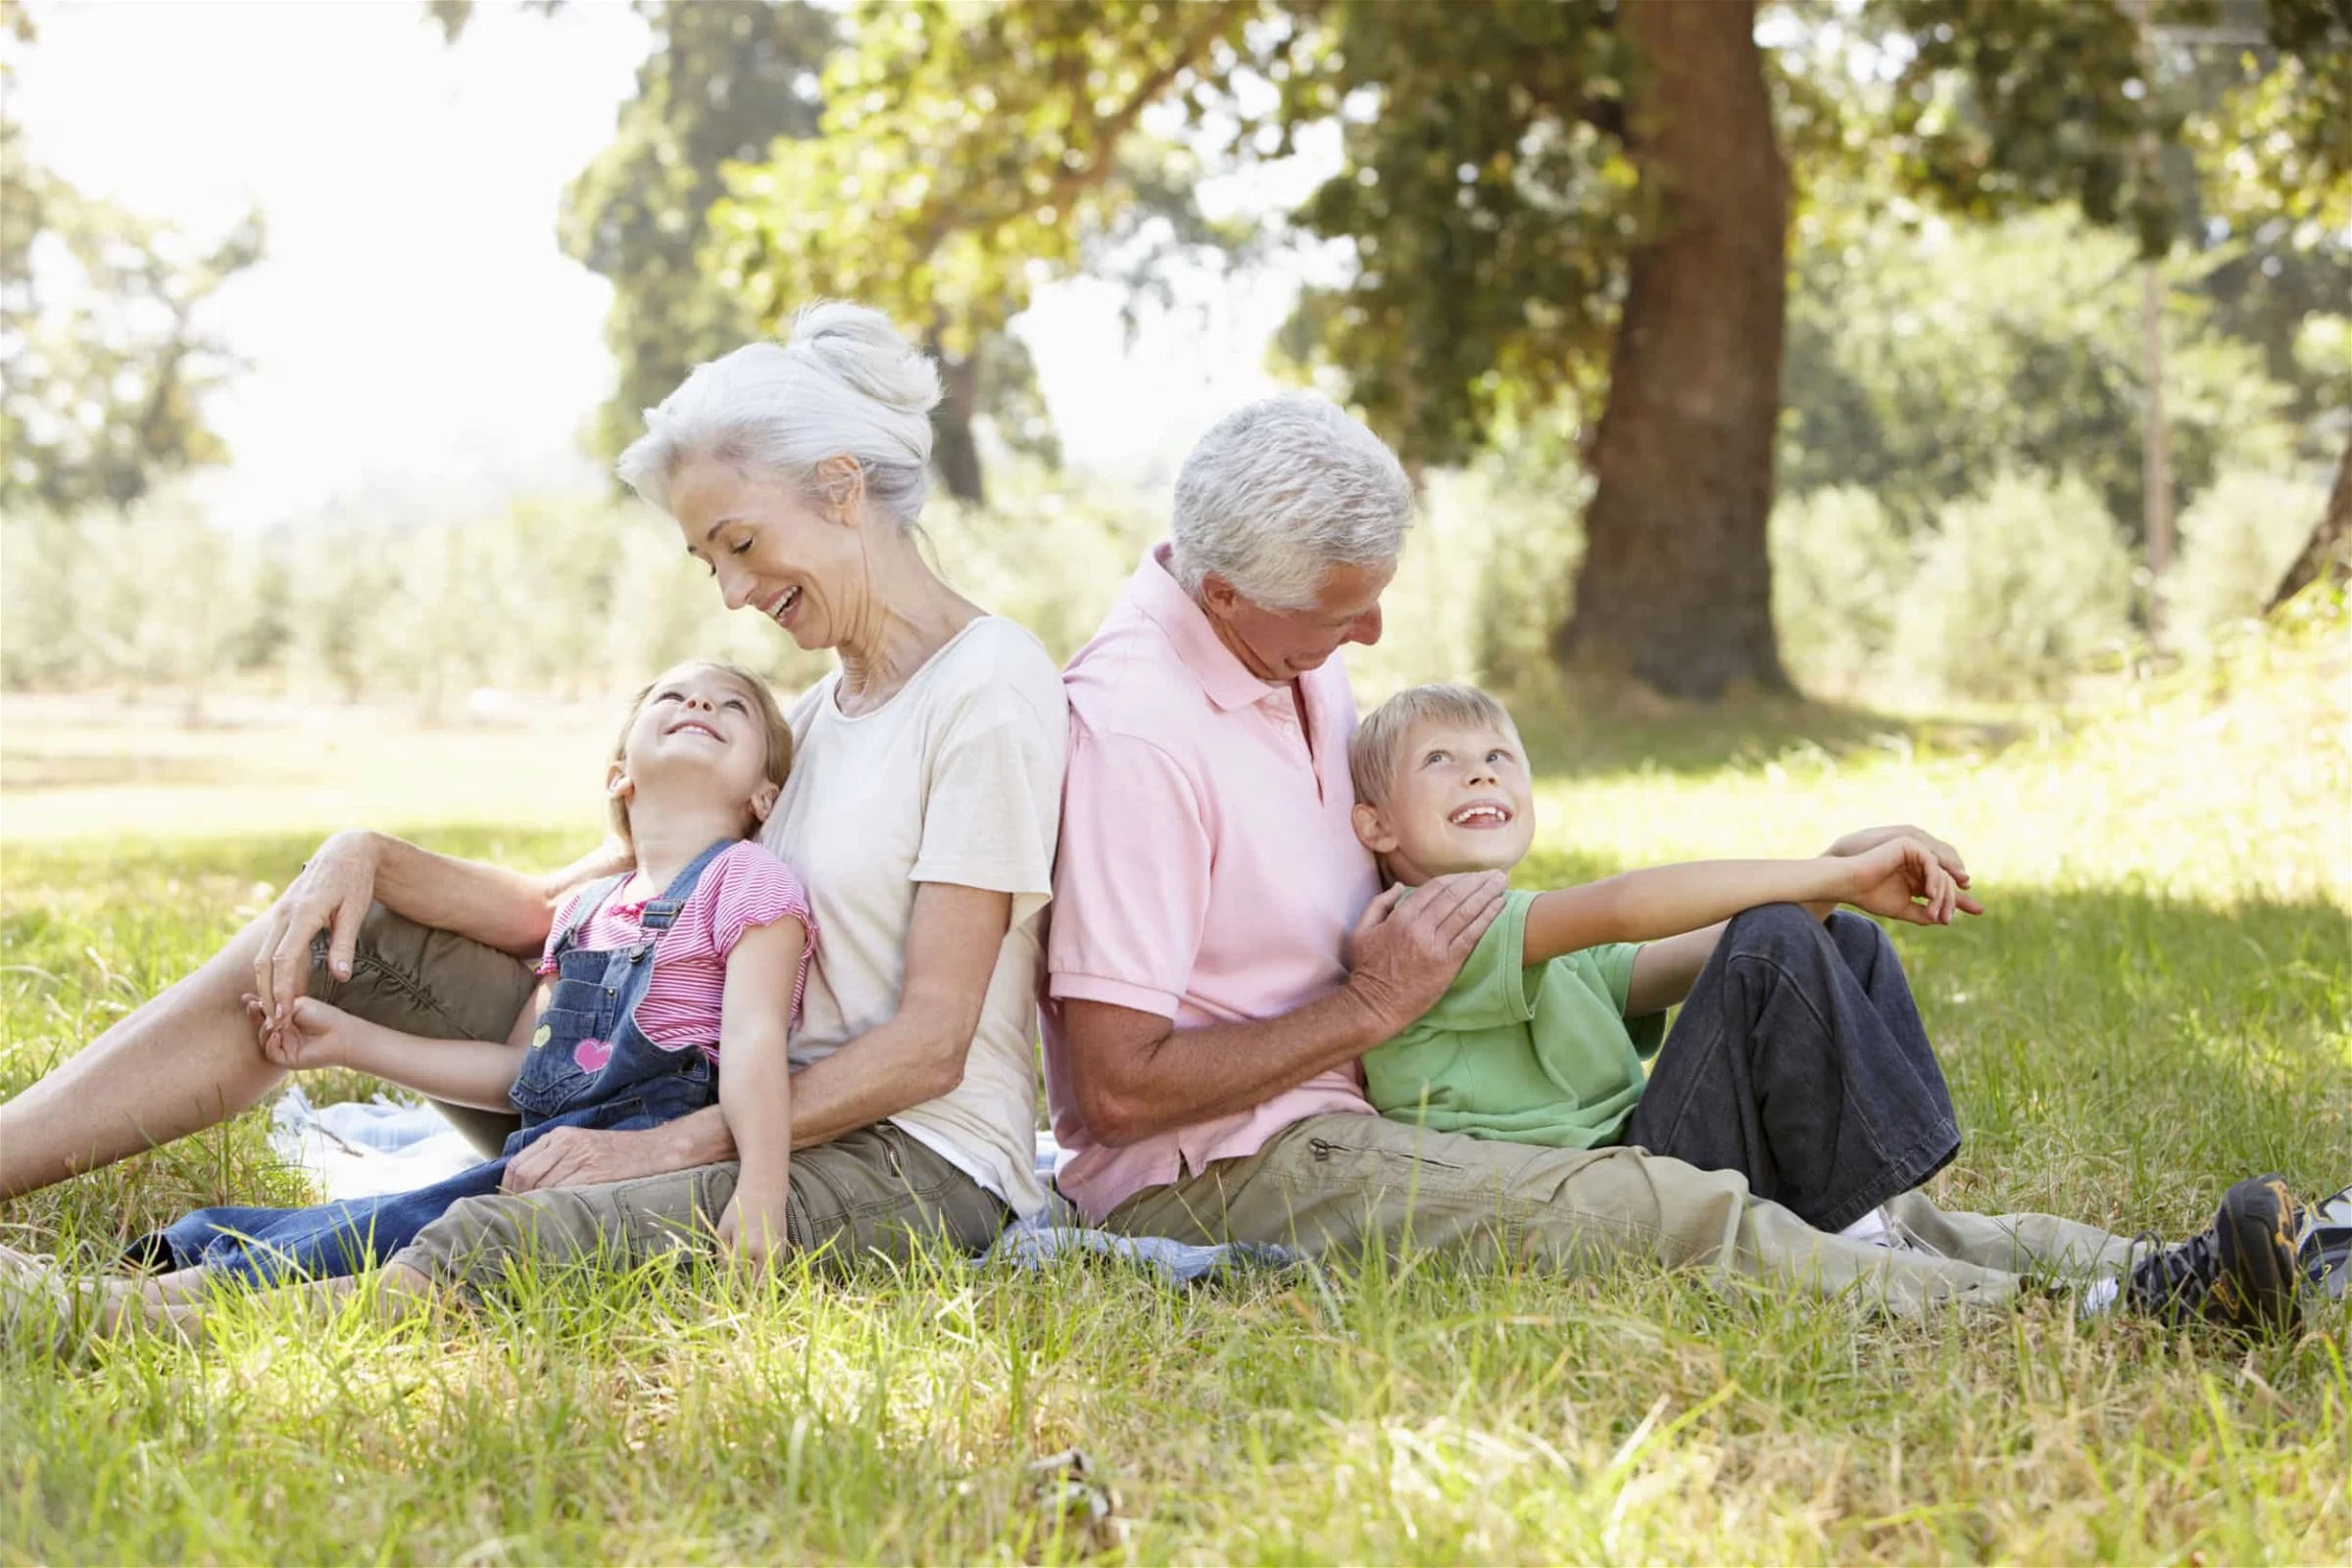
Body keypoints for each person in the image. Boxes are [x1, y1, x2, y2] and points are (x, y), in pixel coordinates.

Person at [1041, 393, 2324, 1325]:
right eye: (1342, 609)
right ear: (1223, 594)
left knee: (1840, 1189)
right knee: (1664, 1209)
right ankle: (2066, 1325)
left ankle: (2181, 1267)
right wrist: (1369, 1008)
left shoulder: (1291, 665)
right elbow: (1114, 1095)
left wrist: (1809, 899)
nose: (1371, 630)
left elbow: (1596, 954)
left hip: (1364, 1101)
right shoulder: (1139, 737)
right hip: (1225, 1170)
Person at [0, 303, 1067, 1304]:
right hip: (673, 1090)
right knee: (347, 930)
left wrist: (666, 1147)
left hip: (910, 1160)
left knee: (508, 1241)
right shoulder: (817, 716)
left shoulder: (986, 689)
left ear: (841, 488)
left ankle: (111, 1320)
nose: (735, 594)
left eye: (741, 544)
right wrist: (355, 853)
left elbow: (934, 1041)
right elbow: (544, 910)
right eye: (712, 565)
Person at [1345, 681, 2312, 1329]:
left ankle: (2172, 1268)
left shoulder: (1536, 942)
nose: (1480, 770)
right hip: (1605, 1204)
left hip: (1650, 1152)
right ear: (1375, 823)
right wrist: (1834, 869)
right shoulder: (1422, 930)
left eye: (1499, 756)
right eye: (1442, 760)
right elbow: (1629, 905)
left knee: (1826, 937)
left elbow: (1717, 956)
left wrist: (1843, 877)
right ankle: (1903, 1239)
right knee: (1776, 937)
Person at [5, 662, 811, 1343]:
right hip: (544, 1154)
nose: (700, 704)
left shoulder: (746, 883)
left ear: (765, 798)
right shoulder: (585, 911)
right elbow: (518, 1077)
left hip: (637, 1161)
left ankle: (99, 1309)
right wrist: (349, 1042)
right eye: (672, 698)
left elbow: (752, 1046)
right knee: (376, 1220)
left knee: (401, 1229)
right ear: (619, 776)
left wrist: (763, 1191)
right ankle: (177, 1257)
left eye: (731, 705)